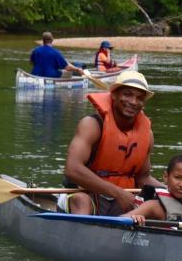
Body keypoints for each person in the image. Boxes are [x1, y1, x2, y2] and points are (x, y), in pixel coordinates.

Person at [63, 70, 163, 221]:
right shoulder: (92, 125)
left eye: (140, 98)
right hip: (88, 194)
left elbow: (143, 178)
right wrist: (117, 192)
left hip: (125, 199)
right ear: (114, 95)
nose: (134, 102)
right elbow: (72, 169)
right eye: (127, 94)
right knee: (81, 201)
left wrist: (171, 191)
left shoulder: (147, 135)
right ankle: (82, 239)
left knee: (157, 207)